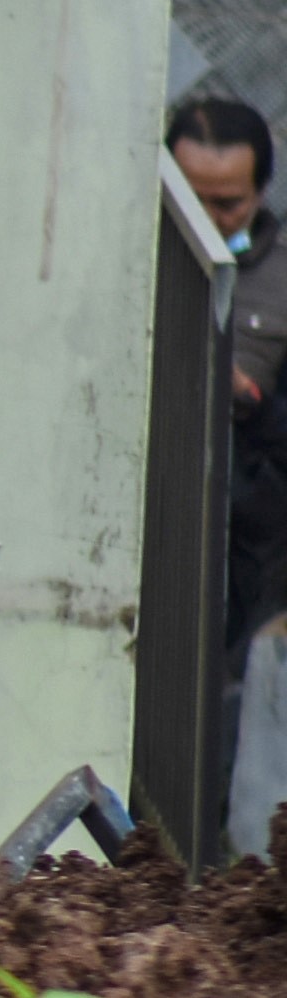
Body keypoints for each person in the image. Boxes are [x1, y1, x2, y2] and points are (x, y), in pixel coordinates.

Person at [170, 94, 287, 649]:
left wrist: (252, 402)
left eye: (226, 204)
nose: (207, 220)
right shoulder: (130, 250)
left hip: (246, 526)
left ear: (259, 193)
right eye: (191, 200)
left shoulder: (279, 274)